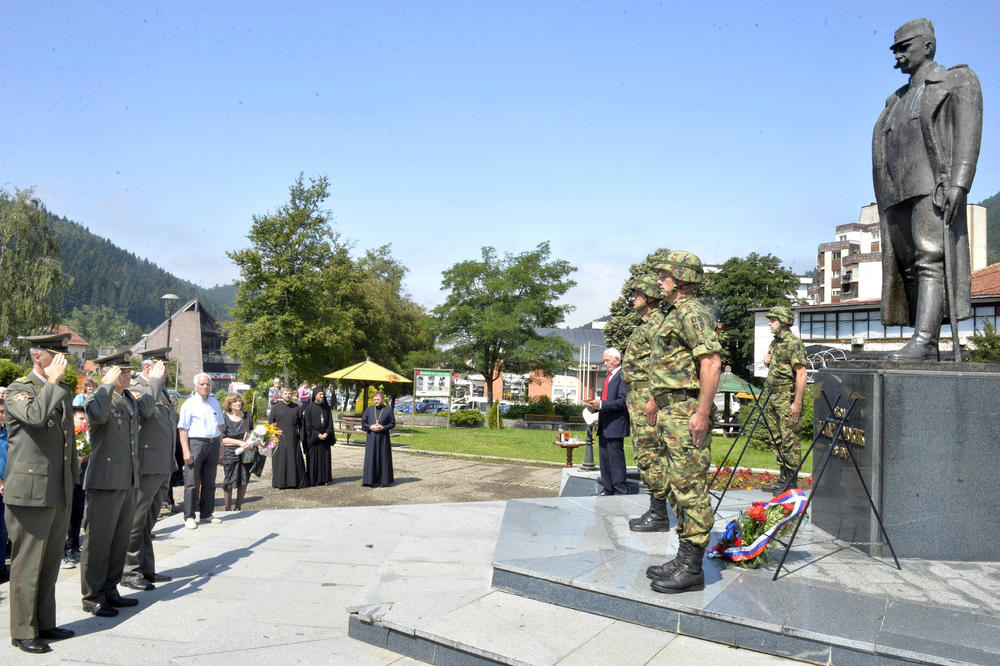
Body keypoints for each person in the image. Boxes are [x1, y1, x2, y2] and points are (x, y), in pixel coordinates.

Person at [872, 18, 983, 360]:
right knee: (908, 266)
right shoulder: (895, 101)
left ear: (928, 46)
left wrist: (960, 183)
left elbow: (968, 135)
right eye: (895, 50)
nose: (898, 56)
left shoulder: (955, 81)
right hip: (896, 192)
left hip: (931, 186)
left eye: (904, 47)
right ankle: (921, 339)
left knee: (930, 259)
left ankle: (925, 341)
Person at [642, 251, 722, 595]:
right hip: (669, 410)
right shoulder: (673, 313)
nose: (659, 281)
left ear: (681, 277)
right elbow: (668, 365)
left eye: (664, 275)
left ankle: (692, 567)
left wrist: (702, 413)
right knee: (677, 484)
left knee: (690, 487)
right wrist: (653, 399)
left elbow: (711, 363)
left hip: (686, 411)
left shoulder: (692, 312)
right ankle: (682, 556)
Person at [4, 333, 80, 653]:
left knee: (49, 562)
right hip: (30, 491)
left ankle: (44, 623)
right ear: (39, 358)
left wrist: (72, 480)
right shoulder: (19, 389)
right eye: (56, 355)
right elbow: (35, 418)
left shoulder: (58, 389)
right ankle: (22, 631)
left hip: (57, 487)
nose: (63, 361)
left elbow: (66, 443)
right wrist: (53, 382)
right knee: (28, 563)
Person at [81, 351, 158, 617]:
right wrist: (104, 384)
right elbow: (98, 417)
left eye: (129, 371)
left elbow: (148, 409)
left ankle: (111, 589)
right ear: (109, 373)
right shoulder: (97, 397)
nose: (129, 375)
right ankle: (93, 596)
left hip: (127, 478)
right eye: (123, 372)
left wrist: (154, 382)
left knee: (119, 539)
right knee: (99, 541)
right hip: (105, 481)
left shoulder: (127, 398)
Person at [622, 272, 672, 531]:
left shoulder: (656, 325)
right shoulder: (647, 324)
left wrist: (653, 399)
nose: (633, 298)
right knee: (644, 453)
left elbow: (660, 364)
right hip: (637, 396)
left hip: (646, 397)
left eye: (637, 294)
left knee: (651, 454)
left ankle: (659, 514)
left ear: (650, 297)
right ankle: (656, 509)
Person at [121, 348, 174, 591]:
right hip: (146, 465)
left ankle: (146, 568)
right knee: (136, 520)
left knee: (148, 522)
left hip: (162, 465)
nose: (166, 371)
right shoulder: (139, 388)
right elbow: (145, 411)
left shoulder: (160, 389)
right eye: (162, 367)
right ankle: (129, 571)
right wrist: (154, 381)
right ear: (147, 368)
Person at [760, 307, 808, 495]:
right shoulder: (775, 343)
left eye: (773, 320)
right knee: (777, 438)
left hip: (786, 397)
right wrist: (767, 362)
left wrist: (797, 402)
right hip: (773, 396)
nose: (770, 323)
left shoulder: (793, 344)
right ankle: (782, 479)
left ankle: (791, 481)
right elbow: (778, 367)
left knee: (790, 439)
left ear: (783, 321)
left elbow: (801, 373)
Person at [177, 372, 224, 530]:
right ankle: (189, 516)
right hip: (196, 444)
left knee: (210, 482)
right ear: (195, 386)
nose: (205, 387)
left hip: (213, 443)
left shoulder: (214, 402)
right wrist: (186, 450)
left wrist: (221, 446)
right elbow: (183, 429)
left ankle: (206, 514)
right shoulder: (188, 404)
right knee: (191, 482)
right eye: (202, 384)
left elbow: (220, 426)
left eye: (208, 384)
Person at [584, 349, 629, 495]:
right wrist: (594, 408)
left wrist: (601, 405)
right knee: (604, 460)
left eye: (607, 360)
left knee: (615, 460)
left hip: (616, 424)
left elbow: (623, 401)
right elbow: (606, 401)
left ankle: (620, 491)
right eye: (604, 360)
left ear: (617, 360)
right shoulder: (608, 377)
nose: (605, 363)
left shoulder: (622, 376)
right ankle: (608, 488)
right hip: (604, 424)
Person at [62, 407, 89, 569]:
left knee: (77, 515)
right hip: (68, 483)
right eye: (80, 419)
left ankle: (73, 547)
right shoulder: (67, 436)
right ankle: (64, 551)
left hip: (80, 482)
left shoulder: (84, 437)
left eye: (85, 419)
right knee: (66, 518)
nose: (84, 422)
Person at [219, 393, 253, 510]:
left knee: (244, 479)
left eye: (239, 401)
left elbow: (252, 434)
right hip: (229, 452)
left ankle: (238, 507)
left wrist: (256, 442)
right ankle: (227, 508)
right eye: (235, 401)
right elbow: (223, 439)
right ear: (229, 404)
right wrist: (239, 443)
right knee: (229, 480)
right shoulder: (224, 418)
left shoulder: (248, 416)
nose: (238, 403)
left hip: (246, 452)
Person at [269, 387, 306, 489]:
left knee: (294, 461)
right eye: (285, 393)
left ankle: (294, 482)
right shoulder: (275, 408)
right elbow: (271, 424)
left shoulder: (297, 408)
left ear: (292, 395)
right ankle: (280, 483)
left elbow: (302, 424)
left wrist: (301, 437)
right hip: (279, 439)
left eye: (289, 393)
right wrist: (272, 436)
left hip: (293, 439)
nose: (287, 395)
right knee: (280, 461)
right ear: (282, 394)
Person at [302, 387, 335, 486]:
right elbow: (307, 425)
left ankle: (325, 479)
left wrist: (327, 433)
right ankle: (313, 480)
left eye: (323, 394)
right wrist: (317, 435)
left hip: (325, 439)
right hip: (314, 440)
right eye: (320, 394)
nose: (322, 396)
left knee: (325, 460)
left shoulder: (327, 408)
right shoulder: (309, 408)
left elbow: (330, 423)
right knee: (313, 460)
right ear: (315, 395)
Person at [361, 392, 395, 487]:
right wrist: (370, 427)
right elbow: (363, 423)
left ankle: (383, 480)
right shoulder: (369, 409)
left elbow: (392, 424)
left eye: (378, 399)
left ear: (382, 399)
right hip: (371, 437)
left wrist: (383, 427)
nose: (376, 401)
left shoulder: (388, 410)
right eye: (374, 399)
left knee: (383, 458)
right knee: (371, 458)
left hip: (383, 438)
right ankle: (369, 480)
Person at [0, 399, 8, 585]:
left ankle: (1, 567)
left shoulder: (7, 433)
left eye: (3, 412)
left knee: (3, 530)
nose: (2, 415)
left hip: (8, 487)